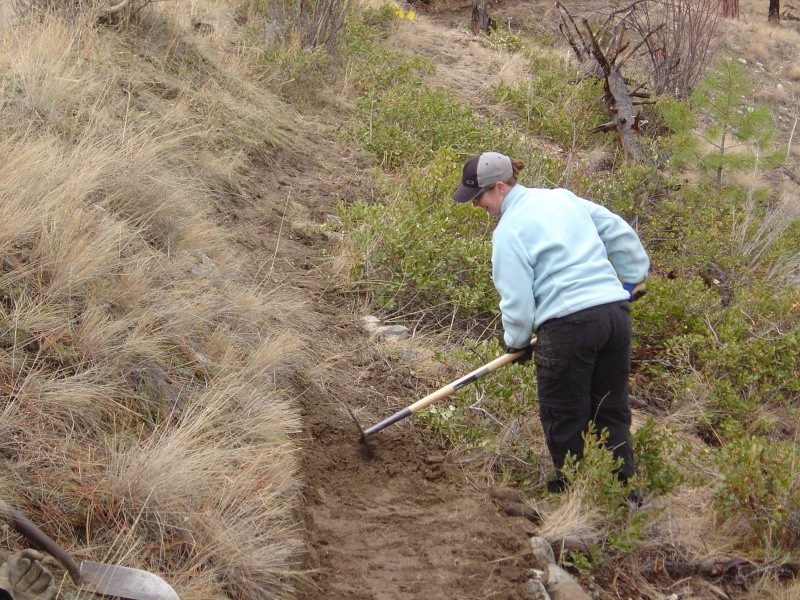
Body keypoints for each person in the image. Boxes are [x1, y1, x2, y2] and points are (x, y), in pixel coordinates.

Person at [451, 151, 649, 496]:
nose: (476, 205)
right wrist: (632, 279)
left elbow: (517, 300)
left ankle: (573, 496)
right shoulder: (563, 199)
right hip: (615, 315)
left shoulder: (509, 231)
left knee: (564, 414)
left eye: (479, 196)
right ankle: (623, 496)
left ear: (500, 187)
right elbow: (617, 230)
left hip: (569, 325)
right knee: (610, 409)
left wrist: (515, 340)